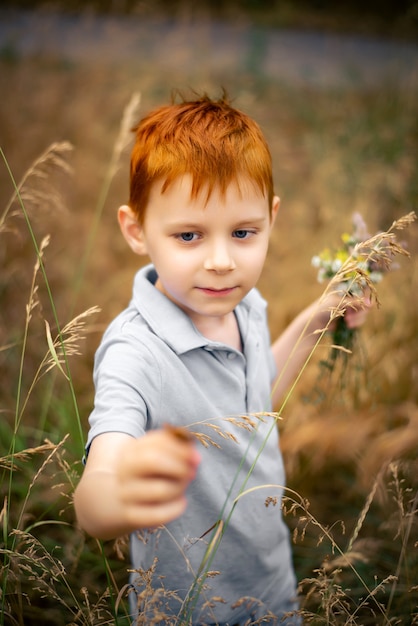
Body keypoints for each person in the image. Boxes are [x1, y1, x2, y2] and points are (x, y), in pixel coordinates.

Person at [74, 93, 369, 625]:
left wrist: (317, 320)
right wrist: (115, 495)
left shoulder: (245, 306)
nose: (220, 261)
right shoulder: (134, 353)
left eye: (242, 233)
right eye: (188, 235)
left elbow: (255, 407)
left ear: (271, 219)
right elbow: (97, 489)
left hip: (271, 585)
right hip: (189, 608)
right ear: (136, 229)